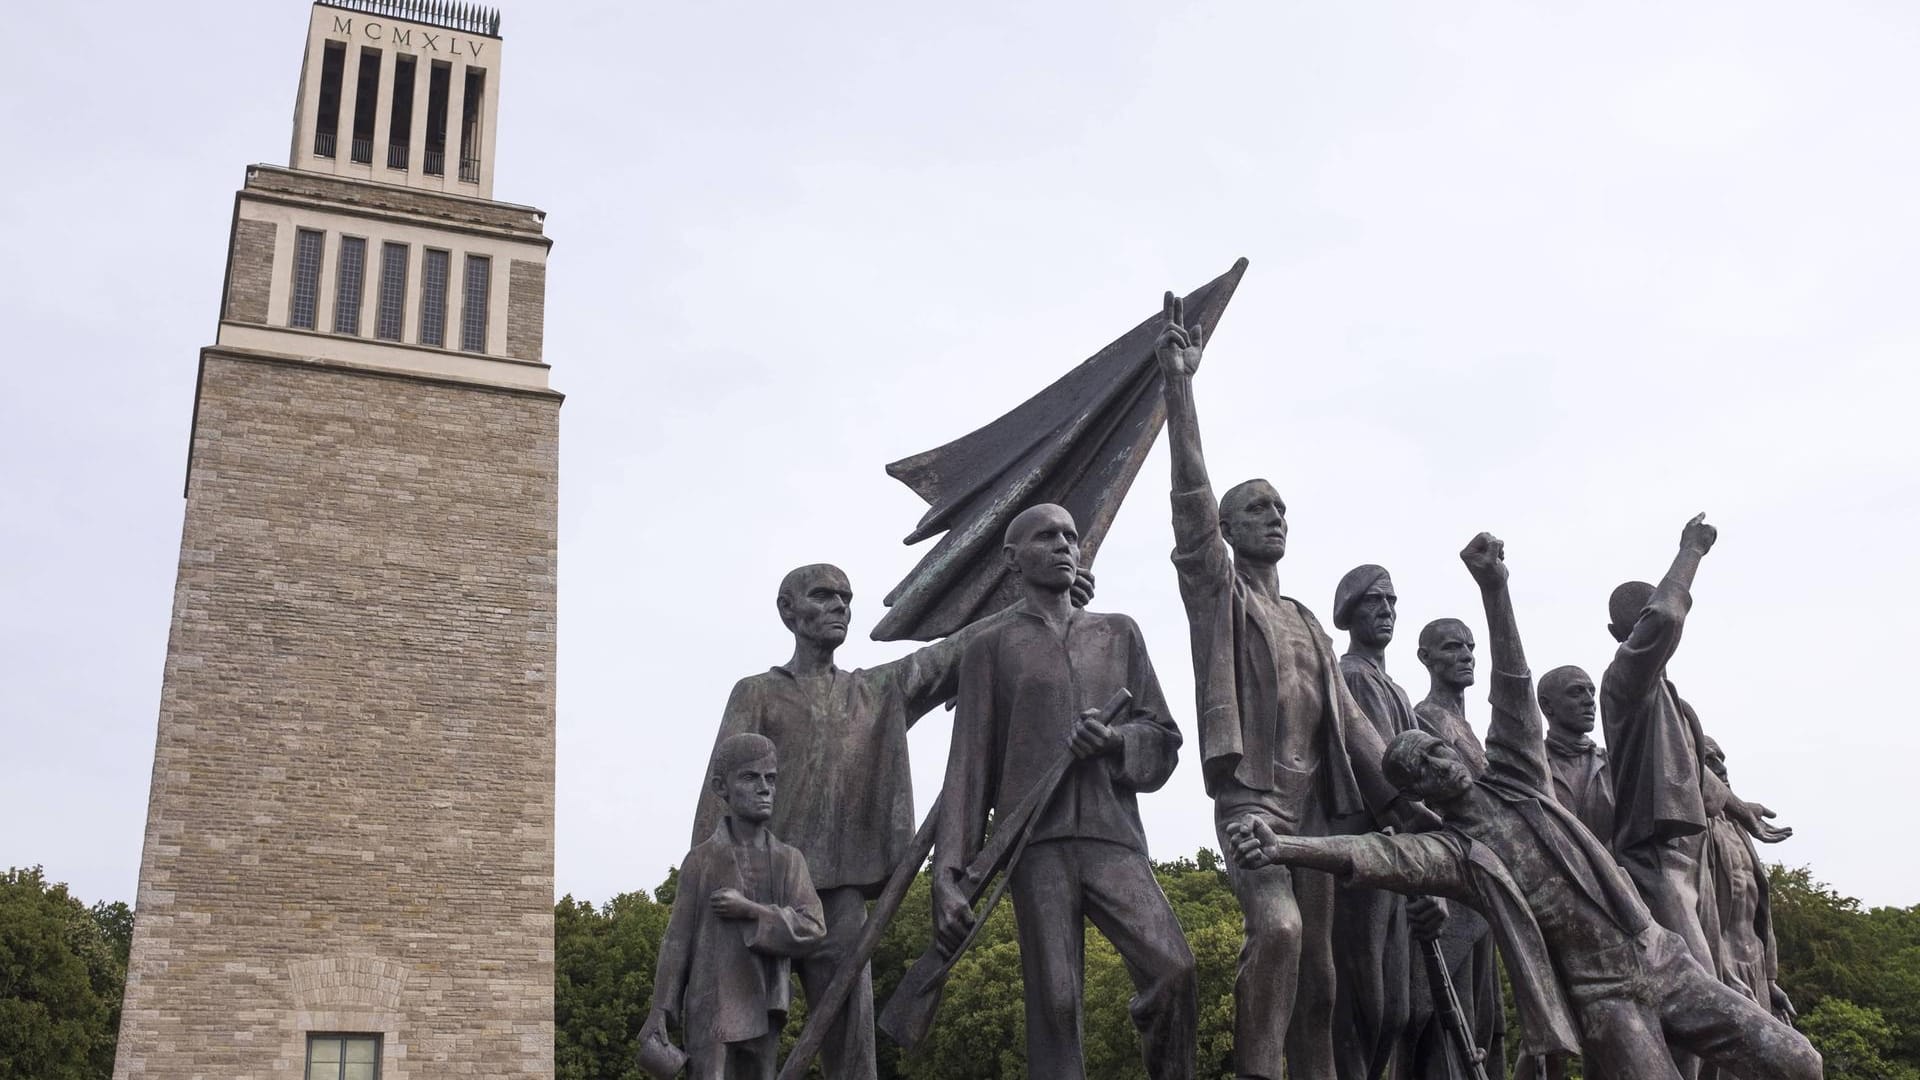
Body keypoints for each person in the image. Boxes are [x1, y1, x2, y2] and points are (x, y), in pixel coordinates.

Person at [1227, 532, 1822, 1080]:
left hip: (1659, 955)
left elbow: (1512, 678)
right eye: (1422, 769)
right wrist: (1282, 846)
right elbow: (1371, 854)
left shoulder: (1516, 773)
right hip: (1604, 996)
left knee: (1800, 1062)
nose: (1438, 762)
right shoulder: (1456, 852)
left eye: (1435, 752)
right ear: (1420, 793)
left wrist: (1494, 587)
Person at [1155, 293, 1423, 1079]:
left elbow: (1357, 733)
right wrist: (1179, 387)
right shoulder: (1219, 595)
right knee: (1277, 933)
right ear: (1229, 530)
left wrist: (1412, 816)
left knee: (1325, 979)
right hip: (1255, 800)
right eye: (1254, 508)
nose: (1271, 516)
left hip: (1319, 809)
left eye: (1279, 507)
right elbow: (1189, 504)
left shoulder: (1308, 621)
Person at [693, 561, 1089, 1077]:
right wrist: (705, 885)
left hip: (839, 898)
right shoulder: (757, 692)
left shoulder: (875, 691)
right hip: (755, 890)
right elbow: (717, 791)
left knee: (852, 1045)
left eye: (846, 597)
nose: (840, 606)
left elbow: (949, 655)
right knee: (744, 1040)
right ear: (788, 611)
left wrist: (1034, 601)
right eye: (823, 595)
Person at [932, 503, 1196, 1079]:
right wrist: (947, 876)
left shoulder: (1118, 633)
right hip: (1036, 844)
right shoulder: (991, 647)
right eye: (1046, 536)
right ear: (1011, 559)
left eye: (1071, 537)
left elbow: (1164, 738)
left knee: (1173, 968)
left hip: (1112, 836)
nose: (1063, 546)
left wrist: (1115, 742)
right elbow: (968, 769)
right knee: (1056, 1003)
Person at [1602, 516, 1789, 995]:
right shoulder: (1625, 681)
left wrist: (1736, 806)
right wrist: (1690, 553)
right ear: (1619, 630)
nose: (1659, 627)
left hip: (1692, 856)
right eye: (1641, 617)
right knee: (1702, 993)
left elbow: (1694, 770)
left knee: (1715, 988)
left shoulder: (1675, 704)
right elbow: (1665, 616)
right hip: (1656, 856)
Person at [644, 734, 827, 1080]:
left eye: (770, 779)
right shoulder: (700, 861)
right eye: (750, 777)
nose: (764, 789)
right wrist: (661, 1008)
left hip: (765, 1005)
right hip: (710, 1004)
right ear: (721, 786)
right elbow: (677, 940)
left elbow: (814, 928)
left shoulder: (789, 861)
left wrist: (751, 910)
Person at [1410, 615, 1506, 1079]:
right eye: (1452, 647)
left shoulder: (1468, 727)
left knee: (1483, 1026)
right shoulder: (1424, 718)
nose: (1466, 655)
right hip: (1449, 885)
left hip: (1482, 887)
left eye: (1470, 647)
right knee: (1450, 1028)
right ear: (1425, 657)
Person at [1331, 565, 1415, 1080]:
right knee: (1369, 1002)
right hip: (1368, 847)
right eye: (1373, 602)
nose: (1385, 611)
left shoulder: (1396, 689)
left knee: (1397, 1010)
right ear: (1349, 613)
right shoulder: (1353, 676)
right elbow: (1377, 766)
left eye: (1391, 601)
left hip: (1403, 851)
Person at [1701, 737, 1795, 1025]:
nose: (1721, 767)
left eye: (1722, 759)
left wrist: (1769, 978)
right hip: (1715, 963)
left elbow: (1760, 911)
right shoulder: (1694, 828)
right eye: (1709, 760)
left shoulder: (1739, 829)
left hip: (1754, 963)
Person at [1537, 665, 1614, 843]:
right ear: (1547, 705)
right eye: (1576, 692)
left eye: (1592, 693)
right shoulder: (1532, 764)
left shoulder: (1613, 765)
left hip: (1612, 869)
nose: (1590, 701)